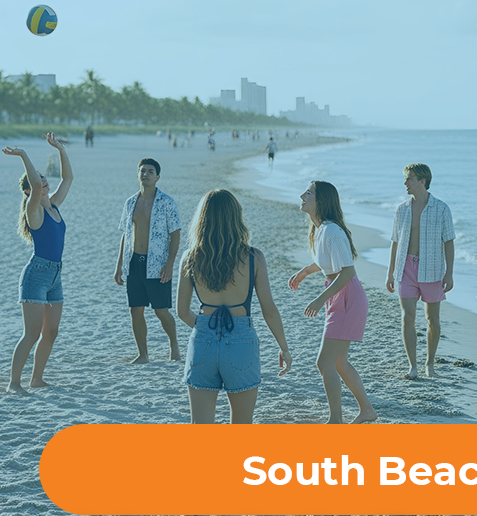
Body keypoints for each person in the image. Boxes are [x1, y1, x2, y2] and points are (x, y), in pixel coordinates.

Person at [177, 189, 292, 423]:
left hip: (203, 340)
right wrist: (284, 348)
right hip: (241, 341)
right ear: (236, 217)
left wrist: (206, 328)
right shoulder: (253, 257)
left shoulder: (190, 257)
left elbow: (181, 311)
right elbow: (269, 309)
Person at [289, 181, 377, 424]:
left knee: (324, 361)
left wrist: (319, 300)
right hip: (339, 294)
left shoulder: (332, 231)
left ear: (321, 201)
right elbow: (326, 262)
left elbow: (347, 271)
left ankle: (336, 420)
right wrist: (304, 272)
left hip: (347, 297)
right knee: (338, 361)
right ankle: (367, 410)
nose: (302, 195)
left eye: (308, 193)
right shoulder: (320, 230)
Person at [3, 133, 73, 394]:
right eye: (38, 180)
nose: (43, 181)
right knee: (31, 333)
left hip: (55, 275)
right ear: (28, 191)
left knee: (51, 331)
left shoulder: (54, 205)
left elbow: (68, 178)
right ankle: (14, 383)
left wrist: (61, 149)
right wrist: (23, 154)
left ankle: (36, 379)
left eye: (44, 178)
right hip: (36, 274)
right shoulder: (34, 210)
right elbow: (33, 182)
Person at [386, 163, 455, 378]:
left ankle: (430, 364)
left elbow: (449, 242)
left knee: (432, 319)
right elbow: (395, 242)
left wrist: (449, 273)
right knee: (407, 317)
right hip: (405, 268)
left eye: (409, 179)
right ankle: (413, 366)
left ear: (422, 181)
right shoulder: (402, 209)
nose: (405, 183)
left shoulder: (441, 208)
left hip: (432, 269)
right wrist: (390, 272)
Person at [114, 158, 182, 363]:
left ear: (157, 177)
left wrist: (169, 263)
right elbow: (125, 235)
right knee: (135, 310)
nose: (146, 174)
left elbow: (175, 234)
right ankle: (143, 354)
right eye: (142, 171)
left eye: (150, 171)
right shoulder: (130, 202)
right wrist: (119, 265)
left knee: (161, 311)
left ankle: (174, 345)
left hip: (158, 264)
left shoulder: (167, 202)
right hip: (134, 262)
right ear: (138, 174)